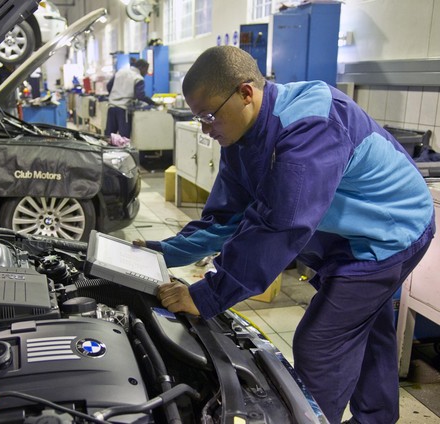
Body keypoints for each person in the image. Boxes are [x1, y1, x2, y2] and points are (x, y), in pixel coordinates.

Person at [138, 46, 435, 424]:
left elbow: (281, 226)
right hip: (352, 236)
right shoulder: (240, 138)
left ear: (246, 93)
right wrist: (160, 253)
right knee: (361, 328)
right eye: (200, 119)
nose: (206, 130)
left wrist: (208, 295)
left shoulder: (309, 124)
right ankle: (377, 417)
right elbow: (225, 219)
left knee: (321, 341)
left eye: (210, 116)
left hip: (390, 233)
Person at [105, 58, 156, 138]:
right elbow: (140, 96)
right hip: (123, 110)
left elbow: (108, 86)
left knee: (109, 136)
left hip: (111, 107)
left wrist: (116, 94)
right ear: (142, 68)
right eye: (146, 70)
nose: (146, 73)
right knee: (124, 138)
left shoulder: (120, 72)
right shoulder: (138, 78)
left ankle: (108, 150)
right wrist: (153, 103)